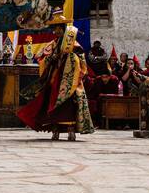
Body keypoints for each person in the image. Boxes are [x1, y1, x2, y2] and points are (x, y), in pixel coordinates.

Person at [17, 12, 94, 140]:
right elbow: (43, 58)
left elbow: (81, 60)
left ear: (64, 29)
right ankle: (55, 129)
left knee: (69, 104)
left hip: (69, 80)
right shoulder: (53, 44)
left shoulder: (73, 44)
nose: (57, 31)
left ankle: (71, 130)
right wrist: (52, 58)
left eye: (59, 28)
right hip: (54, 78)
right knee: (50, 101)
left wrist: (69, 57)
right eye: (55, 28)